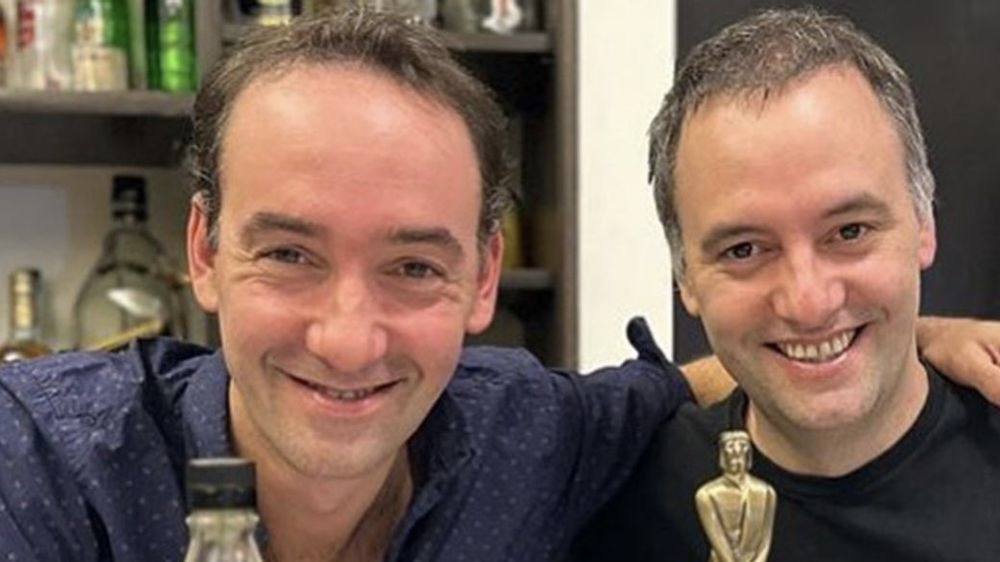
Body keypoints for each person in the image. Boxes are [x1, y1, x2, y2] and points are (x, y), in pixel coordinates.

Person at [0, 8, 996, 562]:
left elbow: (712, 368)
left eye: (412, 266)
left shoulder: (527, 436)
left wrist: (900, 330)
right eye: (291, 254)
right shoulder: (39, 463)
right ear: (204, 250)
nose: (348, 338)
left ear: (482, 277)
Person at [570, 7, 1000, 562]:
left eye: (849, 231)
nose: (808, 302)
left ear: (924, 225)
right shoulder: (612, 501)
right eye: (744, 250)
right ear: (684, 276)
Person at [695, 431, 775, 562]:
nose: (737, 451)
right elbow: (718, 541)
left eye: (742, 445)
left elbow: (765, 540)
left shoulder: (766, 492)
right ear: (722, 453)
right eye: (731, 446)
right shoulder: (707, 494)